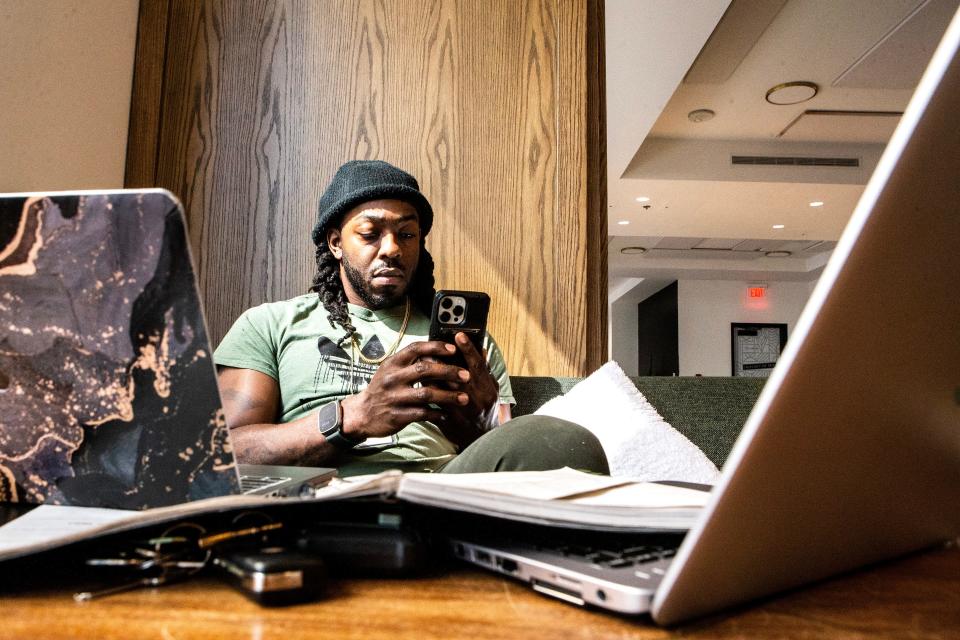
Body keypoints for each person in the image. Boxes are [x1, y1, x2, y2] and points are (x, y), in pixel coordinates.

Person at [214, 160, 608, 476]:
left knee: (562, 440)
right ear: (335, 243)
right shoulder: (269, 323)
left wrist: (479, 424)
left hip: (442, 497)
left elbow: (512, 456)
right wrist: (354, 417)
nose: (391, 249)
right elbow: (225, 452)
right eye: (370, 234)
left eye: (406, 235)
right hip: (320, 496)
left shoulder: (467, 342)